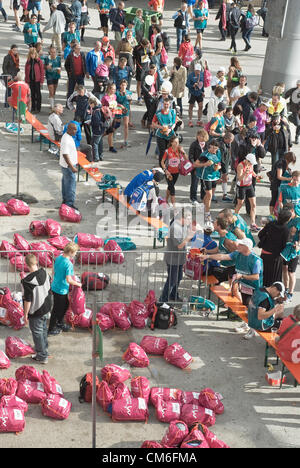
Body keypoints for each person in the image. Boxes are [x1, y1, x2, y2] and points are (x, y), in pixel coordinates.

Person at [160, 209, 195, 304]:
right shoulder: (175, 227)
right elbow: (179, 246)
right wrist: (189, 237)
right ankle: (163, 299)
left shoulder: (183, 225)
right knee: (172, 279)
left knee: (178, 278)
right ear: (182, 218)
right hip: (173, 259)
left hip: (179, 258)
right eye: (188, 219)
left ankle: (173, 295)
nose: (190, 221)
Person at [21, 254, 52, 364]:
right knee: (43, 329)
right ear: (36, 262)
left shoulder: (27, 281)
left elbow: (28, 300)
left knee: (37, 333)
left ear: (27, 265)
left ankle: (42, 355)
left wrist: (25, 314)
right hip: (47, 307)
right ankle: (45, 349)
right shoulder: (44, 272)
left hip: (36, 311)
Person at [48, 242, 82, 335]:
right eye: (75, 252)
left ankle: (60, 323)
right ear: (71, 252)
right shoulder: (68, 264)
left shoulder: (58, 258)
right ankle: (51, 328)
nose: (75, 254)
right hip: (61, 289)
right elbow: (69, 279)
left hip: (56, 286)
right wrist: (78, 284)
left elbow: (53, 270)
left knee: (65, 305)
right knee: (57, 309)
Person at [258, 209, 291, 287]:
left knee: (263, 276)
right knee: (273, 280)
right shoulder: (286, 230)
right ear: (287, 220)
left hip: (264, 254)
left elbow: (260, 235)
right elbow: (285, 245)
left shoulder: (271, 224)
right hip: (276, 258)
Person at [193, 139, 221, 222]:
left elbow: (218, 162)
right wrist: (205, 164)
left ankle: (202, 207)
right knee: (209, 195)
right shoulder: (205, 155)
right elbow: (195, 164)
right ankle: (207, 214)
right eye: (212, 148)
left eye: (215, 148)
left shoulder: (218, 152)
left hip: (214, 176)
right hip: (206, 176)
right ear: (209, 147)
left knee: (210, 195)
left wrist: (218, 167)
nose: (213, 150)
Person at [161, 136, 189, 208]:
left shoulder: (179, 150)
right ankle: (174, 208)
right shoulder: (167, 151)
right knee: (172, 189)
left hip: (176, 172)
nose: (177, 143)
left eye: (178, 142)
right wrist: (165, 170)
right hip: (169, 173)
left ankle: (165, 200)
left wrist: (183, 152)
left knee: (170, 187)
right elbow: (162, 162)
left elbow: (186, 159)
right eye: (175, 142)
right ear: (171, 143)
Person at [235, 153, 259, 232]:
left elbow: (252, 172)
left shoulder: (250, 164)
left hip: (249, 185)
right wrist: (245, 173)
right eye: (250, 163)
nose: (251, 164)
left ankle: (253, 224)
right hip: (241, 186)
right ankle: (234, 219)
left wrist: (257, 176)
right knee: (240, 203)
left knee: (254, 205)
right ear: (247, 161)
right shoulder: (240, 165)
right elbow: (239, 178)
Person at [281, 203, 300, 303]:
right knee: (284, 268)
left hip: (293, 250)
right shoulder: (286, 218)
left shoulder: (298, 220)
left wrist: (298, 246)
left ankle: (291, 293)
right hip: (285, 248)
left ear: (293, 211)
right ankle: (285, 288)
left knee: (291, 272)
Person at [152, 97, 178, 166]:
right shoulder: (158, 113)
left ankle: (170, 166)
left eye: (167, 104)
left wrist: (170, 129)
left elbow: (174, 123)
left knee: (170, 151)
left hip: (170, 134)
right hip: (161, 134)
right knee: (162, 152)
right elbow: (153, 123)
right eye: (165, 104)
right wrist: (161, 127)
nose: (166, 106)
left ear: (169, 104)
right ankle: (162, 166)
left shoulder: (172, 112)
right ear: (163, 104)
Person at [268, 151, 296, 216]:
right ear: (288, 159)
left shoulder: (284, 161)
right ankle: (271, 214)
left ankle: (275, 212)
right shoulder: (280, 163)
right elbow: (279, 176)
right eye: (290, 161)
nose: (290, 163)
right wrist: (288, 179)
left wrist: (289, 171)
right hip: (275, 183)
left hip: (279, 184)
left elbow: (286, 168)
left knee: (278, 199)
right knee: (274, 199)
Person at [59, 122, 78, 209]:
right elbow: (65, 154)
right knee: (70, 185)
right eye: (74, 129)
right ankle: (69, 203)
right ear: (69, 129)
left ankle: (65, 200)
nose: (76, 131)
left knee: (66, 183)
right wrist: (72, 167)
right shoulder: (66, 139)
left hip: (66, 166)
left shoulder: (68, 137)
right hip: (68, 167)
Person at [188, 128, 209, 204]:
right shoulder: (194, 144)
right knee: (194, 183)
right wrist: (193, 163)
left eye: (203, 136)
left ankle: (203, 197)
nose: (201, 138)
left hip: (204, 167)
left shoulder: (207, 145)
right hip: (196, 167)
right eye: (199, 136)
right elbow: (190, 155)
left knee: (203, 183)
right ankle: (193, 198)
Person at [24, 47, 44, 113]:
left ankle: (38, 108)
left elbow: (42, 71)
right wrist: (26, 80)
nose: (32, 55)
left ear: (36, 54)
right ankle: (33, 107)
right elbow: (26, 71)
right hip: (30, 80)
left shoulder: (39, 61)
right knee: (31, 94)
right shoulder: (28, 62)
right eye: (31, 54)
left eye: (34, 54)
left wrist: (41, 81)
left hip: (37, 80)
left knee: (38, 94)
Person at [133, 38, 152, 104]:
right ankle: (139, 97)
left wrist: (151, 52)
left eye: (148, 45)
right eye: (146, 46)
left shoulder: (148, 49)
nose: (147, 46)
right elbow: (134, 58)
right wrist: (134, 67)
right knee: (140, 83)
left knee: (146, 82)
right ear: (142, 44)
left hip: (146, 67)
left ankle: (145, 96)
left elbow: (150, 55)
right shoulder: (137, 49)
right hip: (140, 68)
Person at [217, 131, 235, 202]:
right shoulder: (222, 146)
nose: (231, 142)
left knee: (224, 180)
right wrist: (224, 171)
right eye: (230, 140)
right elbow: (222, 159)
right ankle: (221, 195)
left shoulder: (227, 144)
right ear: (226, 139)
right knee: (218, 180)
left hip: (225, 165)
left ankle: (225, 194)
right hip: (222, 166)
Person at [186, 63, 205, 128]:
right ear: (194, 70)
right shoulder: (190, 75)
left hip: (199, 93)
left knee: (201, 106)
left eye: (199, 71)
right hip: (192, 93)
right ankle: (190, 121)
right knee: (191, 106)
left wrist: (203, 91)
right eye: (197, 70)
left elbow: (202, 83)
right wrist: (192, 85)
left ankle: (199, 121)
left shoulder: (202, 74)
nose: (198, 72)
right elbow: (187, 84)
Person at [101, 82, 118, 153]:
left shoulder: (114, 96)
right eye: (112, 89)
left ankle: (111, 147)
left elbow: (115, 104)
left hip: (113, 115)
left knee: (111, 131)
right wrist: (107, 108)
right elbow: (101, 106)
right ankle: (98, 138)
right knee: (108, 130)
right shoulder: (105, 97)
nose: (114, 91)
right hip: (106, 117)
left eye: (115, 89)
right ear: (109, 89)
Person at [116, 79, 132, 148]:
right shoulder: (116, 93)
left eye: (125, 85)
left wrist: (130, 100)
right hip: (118, 109)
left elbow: (130, 103)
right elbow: (115, 102)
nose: (123, 87)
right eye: (122, 85)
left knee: (126, 125)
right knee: (117, 124)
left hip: (126, 109)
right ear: (120, 85)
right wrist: (119, 105)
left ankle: (125, 140)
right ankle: (113, 135)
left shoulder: (129, 93)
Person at [284, 80, 300, 144]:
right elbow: (285, 95)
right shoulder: (293, 90)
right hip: (294, 110)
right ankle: (290, 118)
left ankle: (297, 138)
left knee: (299, 125)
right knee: (298, 124)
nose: (299, 86)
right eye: (298, 84)